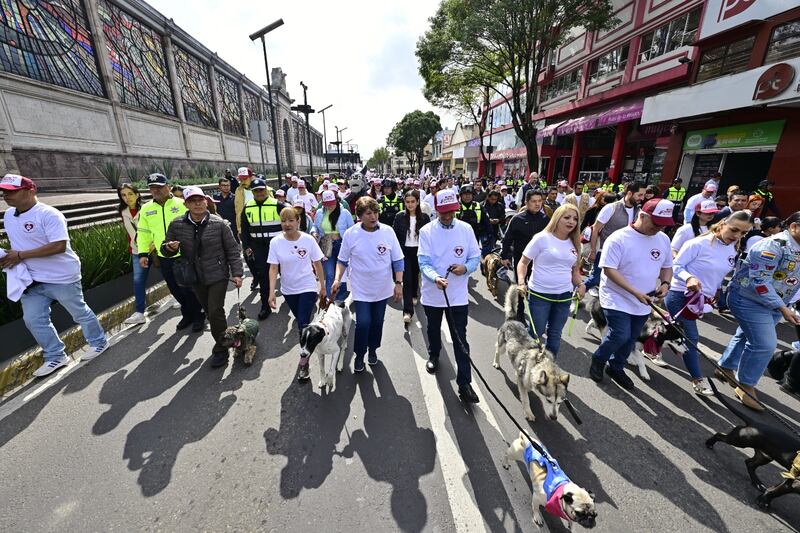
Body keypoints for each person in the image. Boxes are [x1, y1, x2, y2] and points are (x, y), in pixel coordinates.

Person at [0, 174, 108, 376]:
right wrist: (8, 256)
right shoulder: (8, 216)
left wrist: (21, 255)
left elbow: (59, 246)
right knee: (33, 320)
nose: (6, 195)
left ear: (31, 191)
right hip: (30, 279)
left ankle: (99, 342)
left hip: (61, 276)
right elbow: (20, 244)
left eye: (11, 191)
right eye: (4, 191)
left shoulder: (49, 214)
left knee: (78, 312)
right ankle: (56, 356)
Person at [588, 199, 675, 390]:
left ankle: (616, 366)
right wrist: (634, 292)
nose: (659, 229)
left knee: (632, 337)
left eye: (663, 225)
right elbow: (609, 270)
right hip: (616, 296)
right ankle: (599, 359)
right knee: (620, 334)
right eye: (655, 223)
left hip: (644, 299)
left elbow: (667, 266)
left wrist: (666, 284)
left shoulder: (663, 239)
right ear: (642, 216)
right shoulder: (619, 238)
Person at [717, 211, 800, 410]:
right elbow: (759, 282)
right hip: (749, 299)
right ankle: (745, 385)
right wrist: (782, 307)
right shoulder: (773, 245)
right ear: (794, 227)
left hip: (776, 303)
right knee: (765, 344)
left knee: (746, 335)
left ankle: (725, 367)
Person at [666, 211, 753, 396]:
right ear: (722, 224)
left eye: (743, 233)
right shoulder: (697, 243)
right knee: (691, 338)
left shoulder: (732, 248)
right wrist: (689, 277)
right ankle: (698, 380)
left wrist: (716, 291)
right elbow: (675, 266)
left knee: (673, 332)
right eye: (734, 229)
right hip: (680, 295)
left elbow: (718, 274)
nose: (737, 236)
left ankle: (649, 343)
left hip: (700, 300)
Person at [162, 186, 243, 368]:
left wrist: (237, 273)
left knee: (215, 310)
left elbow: (232, 250)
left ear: (206, 201)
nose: (197, 204)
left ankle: (221, 349)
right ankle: (224, 337)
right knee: (209, 311)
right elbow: (164, 247)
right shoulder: (177, 224)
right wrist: (169, 248)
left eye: (200, 200)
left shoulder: (219, 224)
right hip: (195, 277)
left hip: (217, 275)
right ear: (186, 204)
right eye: (193, 201)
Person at [418, 188, 482, 403]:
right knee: (433, 328)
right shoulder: (427, 231)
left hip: (457, 296)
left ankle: (464, 384)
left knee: (460, 338)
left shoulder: (466, 229)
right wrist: (435, 277)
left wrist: (466, 268)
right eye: (443, 212)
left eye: (451, 212)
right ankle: (434, 353)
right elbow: (424, 262)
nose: (447, 216)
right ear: (436, 210)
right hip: (433, 293)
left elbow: (475, 256)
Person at [332, 197, 403, 372]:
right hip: (360, 288)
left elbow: (398, 260)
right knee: (363, 322)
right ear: (360, 216)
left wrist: (399, 283)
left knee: (377, 321)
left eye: (376, 212)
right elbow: (342, 260)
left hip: (382, 287)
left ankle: (373, 350)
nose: (374, 217)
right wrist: (336, 279)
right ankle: (359, 355)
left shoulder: (388, 231)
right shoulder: (351, 234)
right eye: (369, 213)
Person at [516, 204, 586, 357]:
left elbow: (574, 271)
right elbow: (523, 262)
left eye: (575, 219)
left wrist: (581, 284)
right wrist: (521, 283)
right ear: (557, 218)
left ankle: (549, 365)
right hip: (540, 295)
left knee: (555, 333)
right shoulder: (541, 238)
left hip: (564, 296)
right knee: (536, 331)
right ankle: (527, 362)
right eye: (566, 217)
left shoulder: (576, 243)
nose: (571, 222)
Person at [137, 173, 204, 331]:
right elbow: (143, 233)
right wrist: (142, 253)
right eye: (152, 188)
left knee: (189, 287)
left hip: (185, 254)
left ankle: (198, 315)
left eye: (159, 187)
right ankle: (187, 313)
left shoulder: (182, 204)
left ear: (168, 186)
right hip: (164, 255)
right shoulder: (146, 209)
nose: (156, 191)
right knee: (174, 288)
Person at [268, 207, 326, 380]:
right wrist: (271, 292)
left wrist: (322, 287)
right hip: (288, 289)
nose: (287, 224)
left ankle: (304, 364)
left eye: (291, 220)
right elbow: (273, 268)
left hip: (307, 287)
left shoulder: (308, 240)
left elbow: (317, 264)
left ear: (298, 221)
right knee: (300, 320)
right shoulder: (276, 242)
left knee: (302, 324)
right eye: (283, 221)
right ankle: (308, 335)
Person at [585, 182, 646, 290]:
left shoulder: (639, 212)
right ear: (630, 193)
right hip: (603, 250)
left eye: (643, 195)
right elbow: (595, 229)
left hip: (624, 254)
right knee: (595, 278)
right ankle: (575, 295)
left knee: (616, 281)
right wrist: (593, 251)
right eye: (639, 195)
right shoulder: (611, 208)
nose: (642, 198)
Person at [240, 177, 285, 320]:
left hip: (278, 245)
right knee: (263, 276)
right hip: (258, 247)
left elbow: (292, 221)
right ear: (252, 192)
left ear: (266, 189)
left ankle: (291, 297)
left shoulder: (278, 205)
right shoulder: (247, 207)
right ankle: (265, 305)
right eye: (255, 191)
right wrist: (246, 246)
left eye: (261, 190)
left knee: (286, 273)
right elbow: (245, 229)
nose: (259, 193)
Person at [393, 190, 431, 324]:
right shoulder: (399, 217)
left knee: (415, 276)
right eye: (407, 202)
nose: (410, 205)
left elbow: (428, 237)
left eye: (412, 202)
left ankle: (415, 294)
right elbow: (395, 236)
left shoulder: (425, 218)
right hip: (404, 253)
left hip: (419, 252)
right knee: (407, 280)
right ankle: (407, 311)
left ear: (418, 202)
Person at [314, 190, 355, 301]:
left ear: (336, 201)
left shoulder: (345, 213)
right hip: (326, 246)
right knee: (330, 274)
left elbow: (352, 229)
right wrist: (314, 232)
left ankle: (340, 300)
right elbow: (315, 227)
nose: (329, 207)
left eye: (332, 204)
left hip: (341, 245)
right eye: (327, 205)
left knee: (340, 275)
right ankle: (330, 300)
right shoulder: (319, 213)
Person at [117, 184, 149, 325]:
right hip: (137, 251)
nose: (127, 197)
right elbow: (130, 234)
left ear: (137, 194)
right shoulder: (123, 212)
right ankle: (140, 312)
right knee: (138, 281)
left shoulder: (147, 208)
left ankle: (183, 300)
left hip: (155, 249)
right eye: (123, 195)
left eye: (130, 194)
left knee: (170, 275)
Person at [501, 189, 549, 273]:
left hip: (538, 260)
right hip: (520, 258)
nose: (537, 204)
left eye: (539, 201)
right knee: (520, 284)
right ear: (526, 202)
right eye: (533, 201)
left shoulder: (545, 219)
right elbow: (507, 239)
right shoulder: (517, 219)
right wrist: (504, 257)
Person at [456, 185, 490, 253]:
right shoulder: (456, 207)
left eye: (469, 194)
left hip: (474, 238)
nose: (467, 196)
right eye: (465, 194)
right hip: (458, 239)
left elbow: (487, 223)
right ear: (461, 195)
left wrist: (488, 237)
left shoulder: (478, 206)